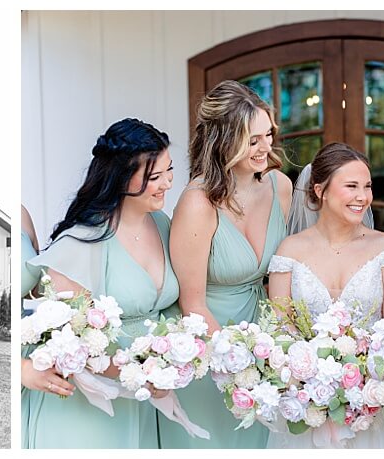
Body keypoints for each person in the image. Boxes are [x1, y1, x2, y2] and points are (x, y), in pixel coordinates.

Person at [21, 118, 177, 448]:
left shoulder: (163, 224)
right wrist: (144, 374)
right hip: (88, 402)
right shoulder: (80, 241)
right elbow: (77, 338)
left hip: (143, 397)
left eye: (169, 171)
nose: (167, 183)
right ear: (121, 176)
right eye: (154, 177)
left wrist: (169, 365)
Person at [160, 80, 292, 448]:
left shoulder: (280, 186)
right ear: (223, 140)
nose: (266, 147)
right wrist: (237, 364)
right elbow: (192, 303)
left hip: (264, 337)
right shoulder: (197, 204)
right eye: (253, 140)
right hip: (208, 343)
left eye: (269, 135)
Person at [267, 142, 384, 448]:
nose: (363, 197)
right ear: (320, 190)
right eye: (351, 186)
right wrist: (310, 380)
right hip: (308, 400)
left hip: (372, 400)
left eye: (367, 186)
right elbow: (280, 330)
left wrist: (362, 376)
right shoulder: (289, 251)